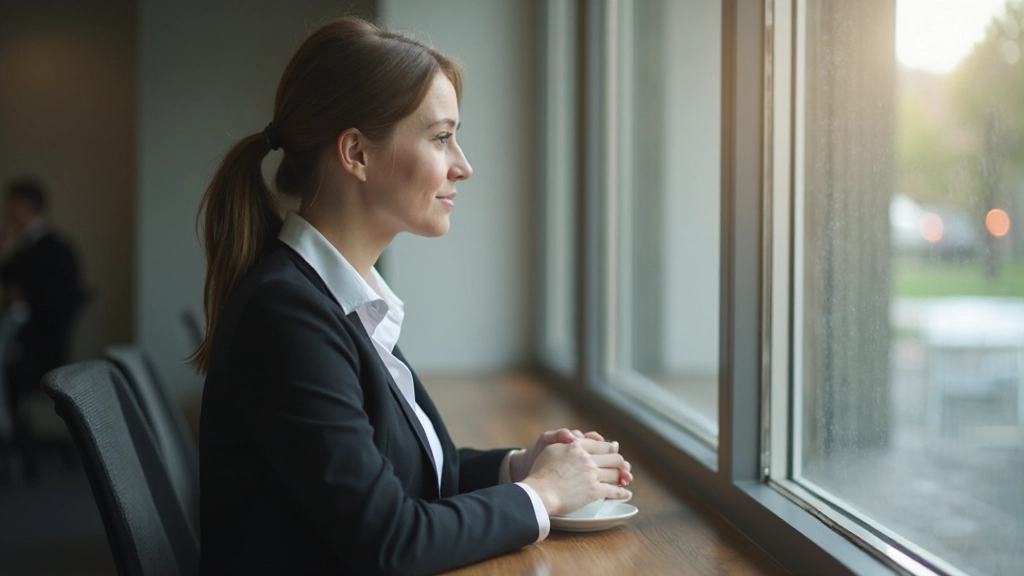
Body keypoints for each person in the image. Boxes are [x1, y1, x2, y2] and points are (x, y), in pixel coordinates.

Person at [194, 17, 633, 576]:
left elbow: (396, 477)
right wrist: (543, 495)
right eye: (441, 137)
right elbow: (390, 541)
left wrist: (518, 468)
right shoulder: (286, 315)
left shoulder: (333, 300)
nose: (464, 166)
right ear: (356, 153)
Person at [0, 178, 82, 481]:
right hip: (37, 348)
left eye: (10, 209)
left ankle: (19, 450)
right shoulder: (33, 248)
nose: (6, 215)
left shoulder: (50, 251)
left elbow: (42, 304)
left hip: (38, 353)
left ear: (25, 208)